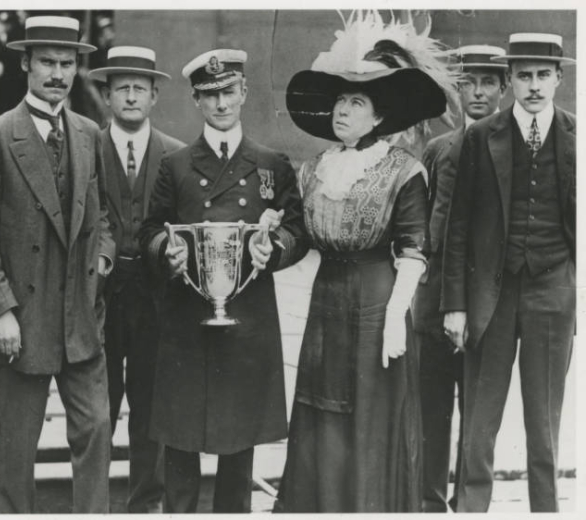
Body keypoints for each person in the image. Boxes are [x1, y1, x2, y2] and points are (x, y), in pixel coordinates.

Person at [275, 11, 455, 512]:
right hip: (326, 300)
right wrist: (269, 240)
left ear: (378, 117)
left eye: (356, 101)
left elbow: (413, 250)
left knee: (371, 416)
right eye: (339, 100)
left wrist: (398, 314)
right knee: (321, 410)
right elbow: (300, 237)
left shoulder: (403, 171)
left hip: (378, 303)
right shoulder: (315, 169)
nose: (343, 109)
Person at [139, 48, 307, 513]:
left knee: (239, 447)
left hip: (248, 319)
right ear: (196, 100)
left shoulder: (271, 163)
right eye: (209, 95)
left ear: (244, 93)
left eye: (228, 92)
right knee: (180, 443)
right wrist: (165, 254)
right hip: (187, 319)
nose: (221, 104)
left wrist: (274, 250)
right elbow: (151, 228)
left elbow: (298, 230)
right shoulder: (176, 165)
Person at [0, 16, 115, 513]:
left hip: (80, 319)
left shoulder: (90, 133)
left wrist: (105, 259)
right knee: (17, 449)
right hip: (22, 322)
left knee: (96, 431)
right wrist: (0, 309)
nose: (57, 74)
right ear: (25, 63)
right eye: (47, 62)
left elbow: (103, 217)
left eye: (67, 64)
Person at [442, 32, 576, 513]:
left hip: (551, 291)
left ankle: (546, 510)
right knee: (480, 417)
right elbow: (458, 227)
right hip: (490, 294)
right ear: (511, 81)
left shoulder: (576, 136)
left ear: (559, 77)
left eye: (543, 75)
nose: (534, 86)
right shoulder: (482, 137)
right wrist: (455, 304)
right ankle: (473, 509)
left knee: (544, 421)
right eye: (524, 76)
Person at [89, 45, 185, 513]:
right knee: (96, 409)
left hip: (156, 300)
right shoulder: (87, 147)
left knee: (150, 410)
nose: (130, 97)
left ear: (154, 96)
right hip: (99, 300)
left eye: (139, 89)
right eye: (121, 88)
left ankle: (144, 505)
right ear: (107, 96)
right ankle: (95, 504)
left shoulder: (176, 155)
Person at [413, 44, 508, 513]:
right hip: (433, 306)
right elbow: (423, 224)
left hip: (486, 305)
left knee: (478, 417)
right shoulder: (438, 150)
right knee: (432, 412)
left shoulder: (511, 151)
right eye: (468, 82)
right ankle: (430, 503)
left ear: (503, 88)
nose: (477, 92)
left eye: (488, 82)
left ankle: (471, 505)